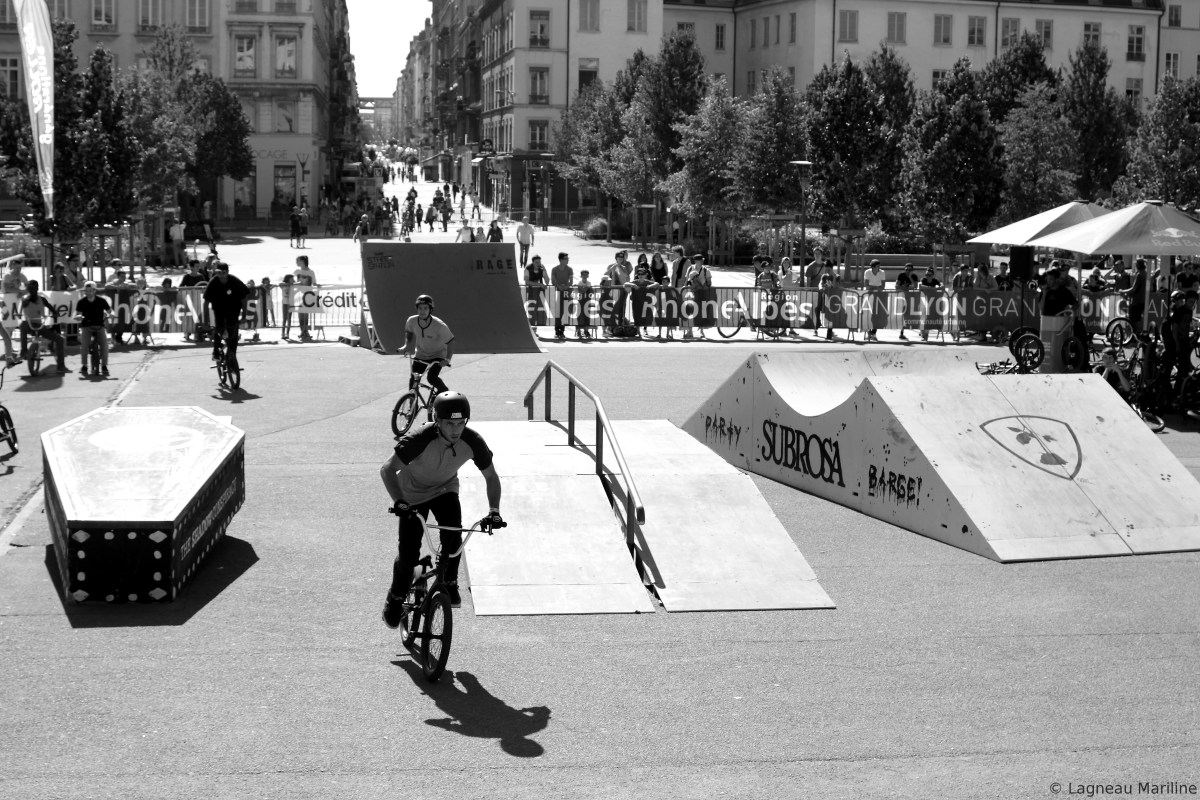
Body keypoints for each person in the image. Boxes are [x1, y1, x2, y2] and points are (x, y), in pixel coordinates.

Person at [380, 391, 504, 615]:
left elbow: (491, 477)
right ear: (437, 420)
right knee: (409, 554)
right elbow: (387, 469)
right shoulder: (420, 438)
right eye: (449, 423)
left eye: (460, 423)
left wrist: (494, 511)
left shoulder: (473, 441)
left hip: (444, 489)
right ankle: (396, 595)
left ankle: (449, 581)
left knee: (453, 533)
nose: (456, 430)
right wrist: (399, 502)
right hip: (412, 495)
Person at [402, 294, 454, 396]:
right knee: (414, 379)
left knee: (432, 378)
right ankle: (412, 402)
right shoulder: (412, 321)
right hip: (421, 354)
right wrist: (406, 345)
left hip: (437, 355)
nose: (422, 311)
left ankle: (444, 391)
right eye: (420, 308)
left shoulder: (439, 325)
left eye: (425, 308)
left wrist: (447, 359)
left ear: (430, 309)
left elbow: (451, 341)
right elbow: (409, 332)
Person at [202, 262, 251, 368]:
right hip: (219, 309)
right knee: (219, 328)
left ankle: (232, 357)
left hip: (233, 308)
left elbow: (244, 297)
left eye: (223, 273)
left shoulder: (234, 281)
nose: (221, 275)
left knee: (233, 332)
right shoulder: (213, 282)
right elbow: (206, 302)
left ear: (227, 272)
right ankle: (216, 351)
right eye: (218, 273)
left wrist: (244, 315)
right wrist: (205, 321)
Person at [19, 279, 67, 373]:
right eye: (30, 289)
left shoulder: (42, 299)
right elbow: (21, 309)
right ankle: (24, 351)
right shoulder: (25, 300)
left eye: (34, 288)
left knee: (60, 340)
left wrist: (55, 314)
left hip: (40, 326)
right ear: (28, 289)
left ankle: (61, 366)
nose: (32, 290)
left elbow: (52, 309)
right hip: (29, 325)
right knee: (23, 325)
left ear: (37, 289)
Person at [1162, 289, 1197, 401]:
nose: (1192, 304)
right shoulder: (1179, 312)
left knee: (1184, 366)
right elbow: (1175, 330)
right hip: (1177, 341)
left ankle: (1180, 388)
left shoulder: (1189, 311)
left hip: (1184, 340)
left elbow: (1186, 326)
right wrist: (1177, 344)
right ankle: (1172, 388)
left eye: (1194, 302)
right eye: (1190, 301)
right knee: (1175, 363)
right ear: (1186, 300)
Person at [74, 280, 112, 377]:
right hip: (86, 326)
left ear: (95, 291)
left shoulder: (101, 301)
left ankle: (104, 366)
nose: (88, 293)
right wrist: (78, 317)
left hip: (99, 326)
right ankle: (84, 365)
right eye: (87, 291)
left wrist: (111, 314)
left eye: (91, 290)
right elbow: (78, 314)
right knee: (84, 345)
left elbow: (109, 311)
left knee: (105, 345)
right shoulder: (81, 302)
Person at [862, 259, 888, 341]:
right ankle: (868, 332)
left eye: (879, 266)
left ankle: (873, 332)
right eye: (877, 266)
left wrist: (873, 288)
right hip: (869, 295)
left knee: (877, 314)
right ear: (873, 267)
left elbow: (883, 286)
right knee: (868, 313)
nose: (879, 268)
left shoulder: (882, 272)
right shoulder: (867, 272)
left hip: (879, 296)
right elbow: (867, 286)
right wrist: (876, 287)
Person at [293, 255, 317, 340]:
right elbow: (292, 282)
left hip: (307, 295)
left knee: (306, 314)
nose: (296, 262)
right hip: (299, 295)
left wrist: (318, 286)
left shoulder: (311, 272)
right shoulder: (297, 271)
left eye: (298, 261)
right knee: (300, 314)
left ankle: (305, 331)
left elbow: (314, 283)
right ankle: (302, 331)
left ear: (302, 261)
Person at [550, 252, 573, 339]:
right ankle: (557, 331)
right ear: (561, 260)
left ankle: (562, 331)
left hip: (566, 292)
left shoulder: (569, 269)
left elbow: (571, 281)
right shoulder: (554, 269)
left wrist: (566, 287)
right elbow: (553, 281)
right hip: (557, 292)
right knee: (557, 312)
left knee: (564, 312)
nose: (568, 260)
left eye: (568, 258)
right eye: (566, 259)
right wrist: (559, 286)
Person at [1122, 259, 1148, 333]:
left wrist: (1123, 291)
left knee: (1134, 320)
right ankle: (1138, 334)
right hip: (1143, 300)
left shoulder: (1140, 274)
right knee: (1138, 318)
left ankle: (1137, 334)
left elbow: (1134, 289)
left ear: (1137, 265)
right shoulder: (1145, 273)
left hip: (1137, 301)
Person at [893, 263, 918, 341]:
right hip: (901, 297)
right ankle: (901, 332)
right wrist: (905, 288)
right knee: (902, 315)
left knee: (907, 316)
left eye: (909, 270)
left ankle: (902, 332)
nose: (907, 271)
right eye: (906, 269)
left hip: (910, 298)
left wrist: (910, 277)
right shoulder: (901, 275)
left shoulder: (914, 277)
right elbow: (896, 286)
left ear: (912, 270)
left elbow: (915, 286)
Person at [524, 254, 547, 327]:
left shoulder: (541, 269)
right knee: (531, 309)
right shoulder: (528, 269)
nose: (538, 264)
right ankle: (531, 325)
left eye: (539, 262)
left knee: (540, 308)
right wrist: (539, 284)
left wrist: (545, 270)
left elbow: (547, 282)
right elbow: (527, 282)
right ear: (533, 262)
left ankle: (540, 324)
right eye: (536, 262)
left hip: (540, 292)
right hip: (531, 291)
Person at [280, 274, 296, 339]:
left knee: (289, 319)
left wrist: (292, 283)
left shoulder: (293, 285)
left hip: (290, 303)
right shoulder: (284, 285)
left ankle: (287, 333)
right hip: (284, 303)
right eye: (291, 279)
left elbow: (299, 284)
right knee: (284, 319)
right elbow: (280, 284)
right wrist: (288, 284)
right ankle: (283, 333)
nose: (293, 280)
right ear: (288, 279)